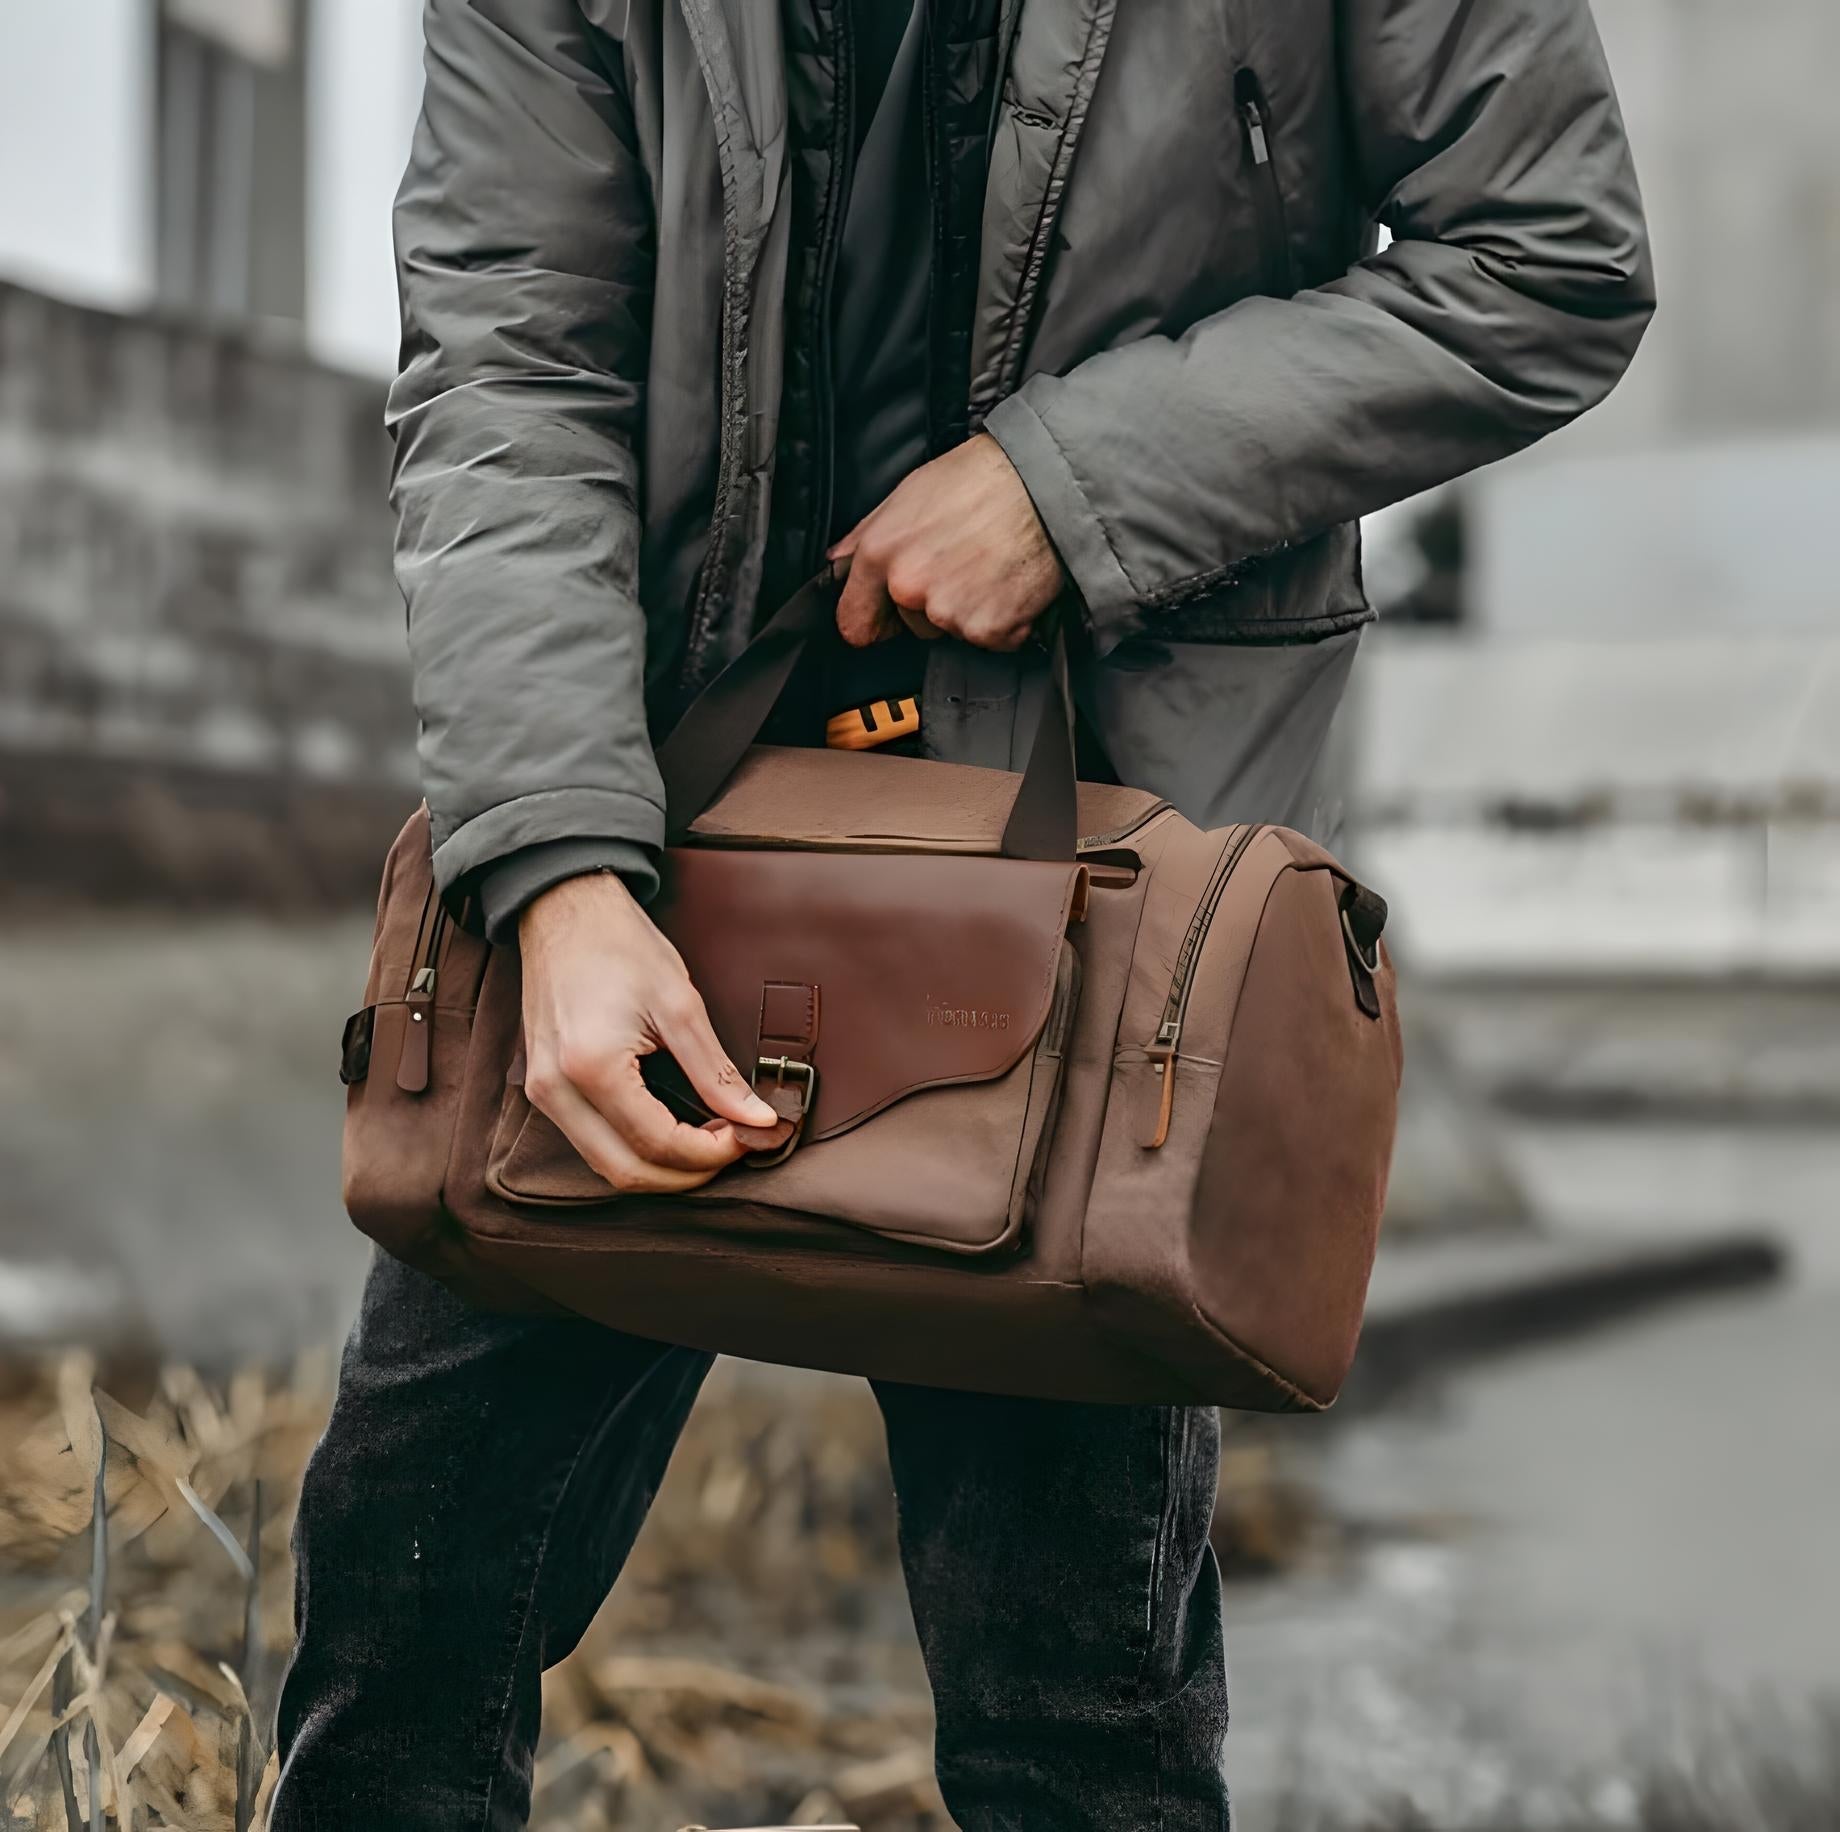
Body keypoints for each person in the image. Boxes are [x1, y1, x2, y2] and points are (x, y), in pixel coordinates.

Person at [273, 0, 1652, 1823]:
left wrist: (1068, 492)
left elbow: (1551, 260)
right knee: (397, 1626)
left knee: (1071, 1708)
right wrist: (558, 878)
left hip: (1100, 915)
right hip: (652, 857)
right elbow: (509, 366)